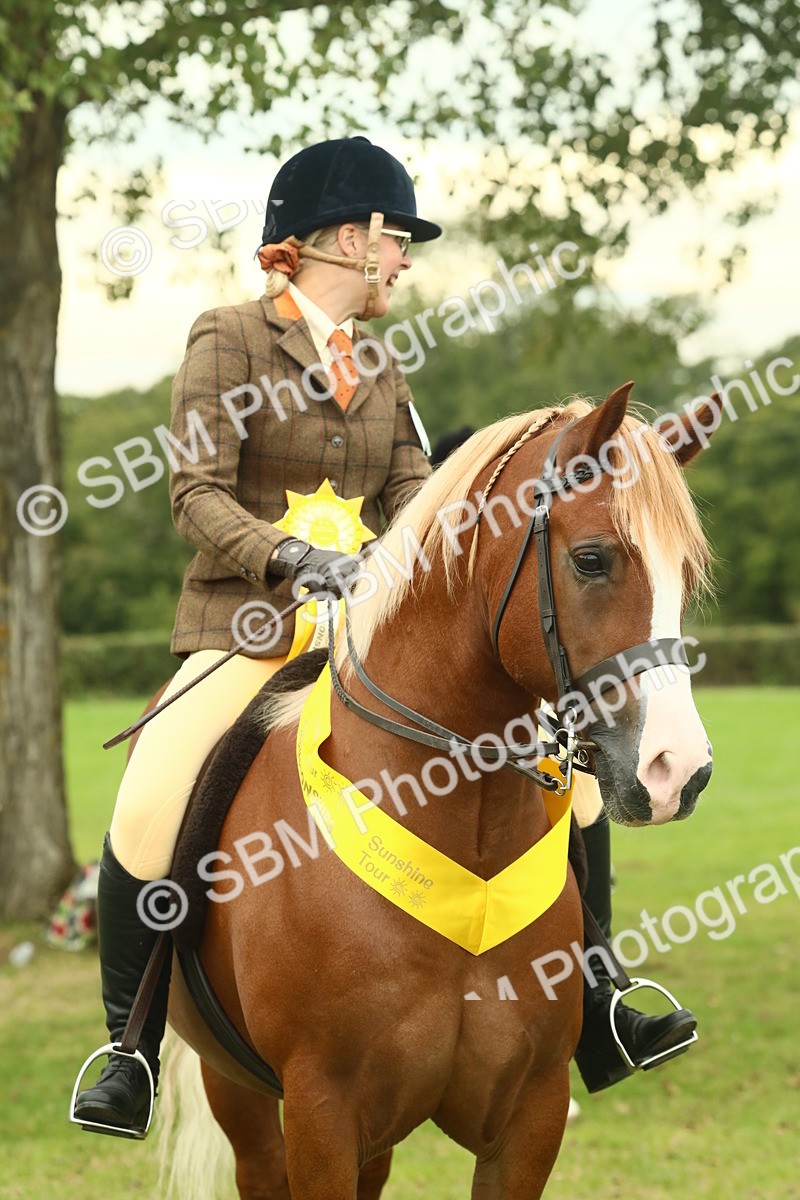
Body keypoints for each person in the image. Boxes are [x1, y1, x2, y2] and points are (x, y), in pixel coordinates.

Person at [73, 136, 440, 1137]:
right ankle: (129, 1048)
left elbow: (411, 483)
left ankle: (597, 999)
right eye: (396, 239)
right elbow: (192, 491)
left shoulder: (383, 357)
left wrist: (436, 541)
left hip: (369, 629)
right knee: (154, 790)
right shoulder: (228, 335)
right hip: (251, 626)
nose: (404, 261)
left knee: (558, 767)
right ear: (349, 239)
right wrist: (292, 559)